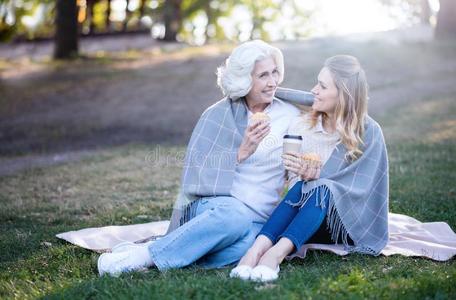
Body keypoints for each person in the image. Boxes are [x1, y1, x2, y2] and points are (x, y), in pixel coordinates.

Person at [97, 40, 314, 276]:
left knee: (249, 247)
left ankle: (163, 251)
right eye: (263, 75)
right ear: (244, 80)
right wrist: (242, 152)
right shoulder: (217, 115)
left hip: (257, 219)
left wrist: (304, 169)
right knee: (234, 215)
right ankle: (145, 256)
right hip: (216, 208)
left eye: (274, 72)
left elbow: (294, 170)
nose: (272, 82)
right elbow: (197, 172)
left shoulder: (289, 115)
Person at [230, 55, 389, 282]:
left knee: (322, 187)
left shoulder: (368, 132)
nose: (314, 90)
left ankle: (275, 255)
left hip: (346, 222)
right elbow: (295, 185)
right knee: (308, 185)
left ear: (343, 94)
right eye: (317, 83)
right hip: (307, 218)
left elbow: (366, 192)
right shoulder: (303, 126)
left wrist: (319, 179)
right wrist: (303, 175)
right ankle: (254, 252)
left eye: (322, 86)